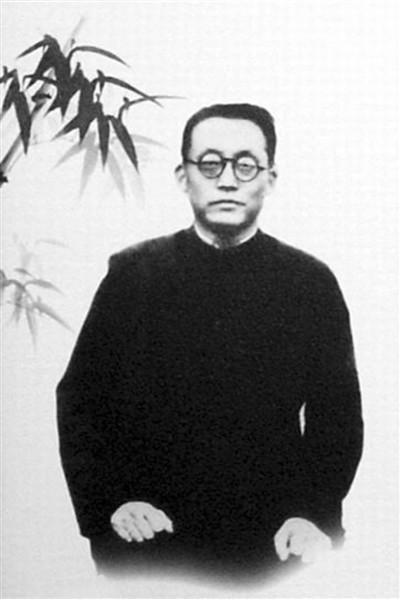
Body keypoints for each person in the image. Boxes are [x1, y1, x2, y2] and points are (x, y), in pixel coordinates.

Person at [56, 103, 363, 583]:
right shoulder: (133, 275)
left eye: (246, 165)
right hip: (150, 531)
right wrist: (113, 502)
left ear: (271, 178)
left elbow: (337, 417)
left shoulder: (309, 282)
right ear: (184, 177)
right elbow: (82, 400)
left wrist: (312, 516)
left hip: (273, 538)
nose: (227, 181)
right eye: (211, 164)